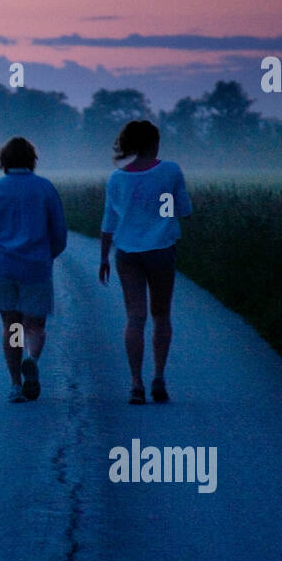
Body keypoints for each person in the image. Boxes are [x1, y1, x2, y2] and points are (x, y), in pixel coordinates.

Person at [98, 120, 192, 404]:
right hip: (162, 249)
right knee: (161, 315)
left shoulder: (117, 178)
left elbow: (109, 222)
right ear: (154, 143)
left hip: (127, 252)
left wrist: (103, 257)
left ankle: (136, 384)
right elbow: (184, 211)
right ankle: (159, 378)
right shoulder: (171, 171)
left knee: (135, 318)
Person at [0, 137, 67, 403]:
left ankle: (15, 384)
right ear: (32, 159)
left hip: (2, 266)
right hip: (36, 266)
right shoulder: (45, 188)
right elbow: (59, 232)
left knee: (11, 326)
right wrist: (47, 255)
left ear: (4, 160)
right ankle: (32, 359)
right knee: (35, 326)